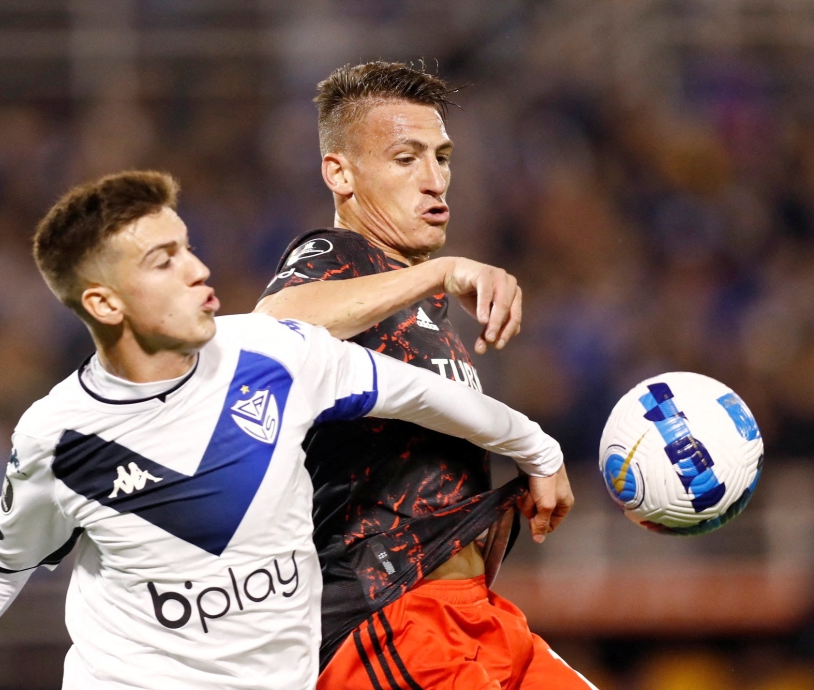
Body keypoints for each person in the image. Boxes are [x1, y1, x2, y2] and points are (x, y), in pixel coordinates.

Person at [0, 170, 565, 690]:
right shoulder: (60, 439)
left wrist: (536, 450)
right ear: (103, 302)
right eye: (163, 261)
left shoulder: (274, 354)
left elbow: (423, 395)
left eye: (187, 247)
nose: (198, 270)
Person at [255, 62, 597, 688]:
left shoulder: (415, 307)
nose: (435, 180)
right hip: (390, 618)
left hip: (476, 612)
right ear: (341, 173)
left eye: (441, 157)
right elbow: (274, 327)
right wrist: (441, 272)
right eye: (405, 159)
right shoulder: (335, 256)